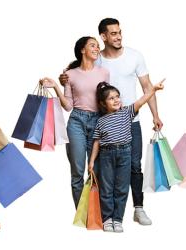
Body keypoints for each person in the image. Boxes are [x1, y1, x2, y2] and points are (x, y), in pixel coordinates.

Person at [59, 18, 161, 225]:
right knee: (104, 170)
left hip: (131, 119)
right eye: (113, 33)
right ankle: (99, 215)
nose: (118, 36)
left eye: (120, 32)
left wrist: (156, 115)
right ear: (103, 37)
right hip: (103, 122)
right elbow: (78, 69)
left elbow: (147, 86)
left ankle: (138, 209)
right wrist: (63, 79)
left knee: (134, 165)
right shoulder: (97, 60)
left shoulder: (135, 56)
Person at [40, 36, 109, 208]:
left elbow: (107, 99)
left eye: (98, 46)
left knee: (97, 170)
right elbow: (68, 106)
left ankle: (98, 212)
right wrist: (56, 86)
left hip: (98, 122)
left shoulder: (104, 72)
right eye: (92, 45)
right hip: (77, 122)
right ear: (82, 50)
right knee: (77, 171)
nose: (97, 48)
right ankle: (82, 213)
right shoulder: (69, 75)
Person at [88, 79, 164, 232]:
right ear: (103, 104)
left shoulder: (127, 112)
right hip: (106, 155)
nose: (116, 100)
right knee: (107, 188)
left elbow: (142, 100)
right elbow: (96, 142)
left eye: (117, 96)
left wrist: (153, 89)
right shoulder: (100, 121)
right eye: (111, 98)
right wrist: (91, 162)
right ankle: (107, 219)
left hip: (125, 154)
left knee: (122, 188)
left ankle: (118, 219)